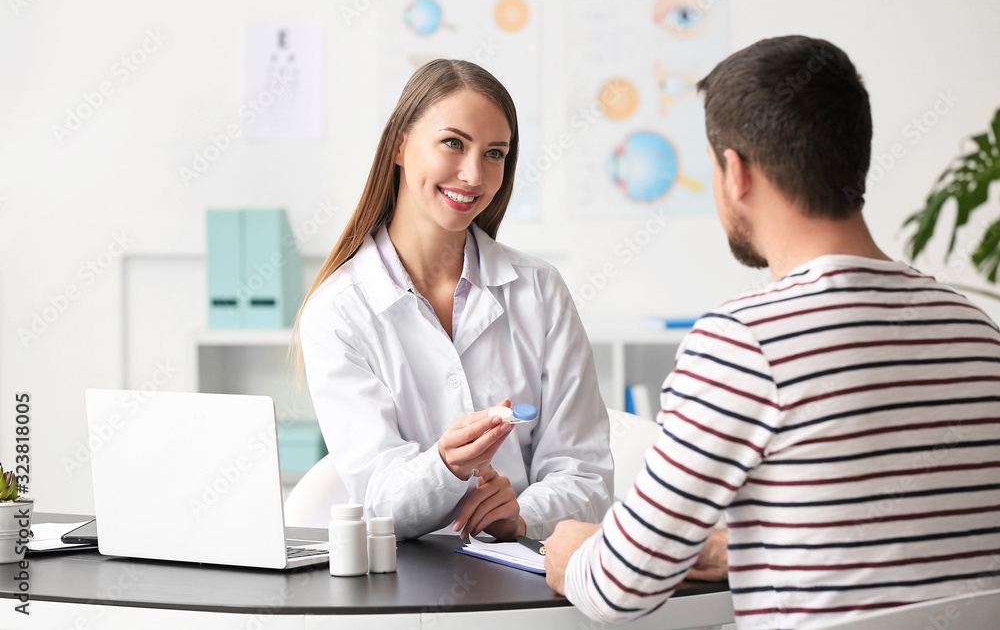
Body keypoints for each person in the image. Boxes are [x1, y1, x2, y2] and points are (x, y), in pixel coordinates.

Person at [544, 35, 1000, 628]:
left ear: (734, 171)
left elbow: (620, 589)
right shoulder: (975, 331)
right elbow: (911, 546)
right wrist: (742, 546)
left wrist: (575, 551)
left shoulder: (744, 342)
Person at [296, 59, 613, 542]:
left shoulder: (540, 289)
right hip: (405, 594)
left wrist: (519, 514)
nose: (473, 175)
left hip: (526, 579)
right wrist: (446, 465)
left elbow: (585, 474)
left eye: (494, 153)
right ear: (400, 143)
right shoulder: (337, 312)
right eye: (453, 143)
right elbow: (380, 500)